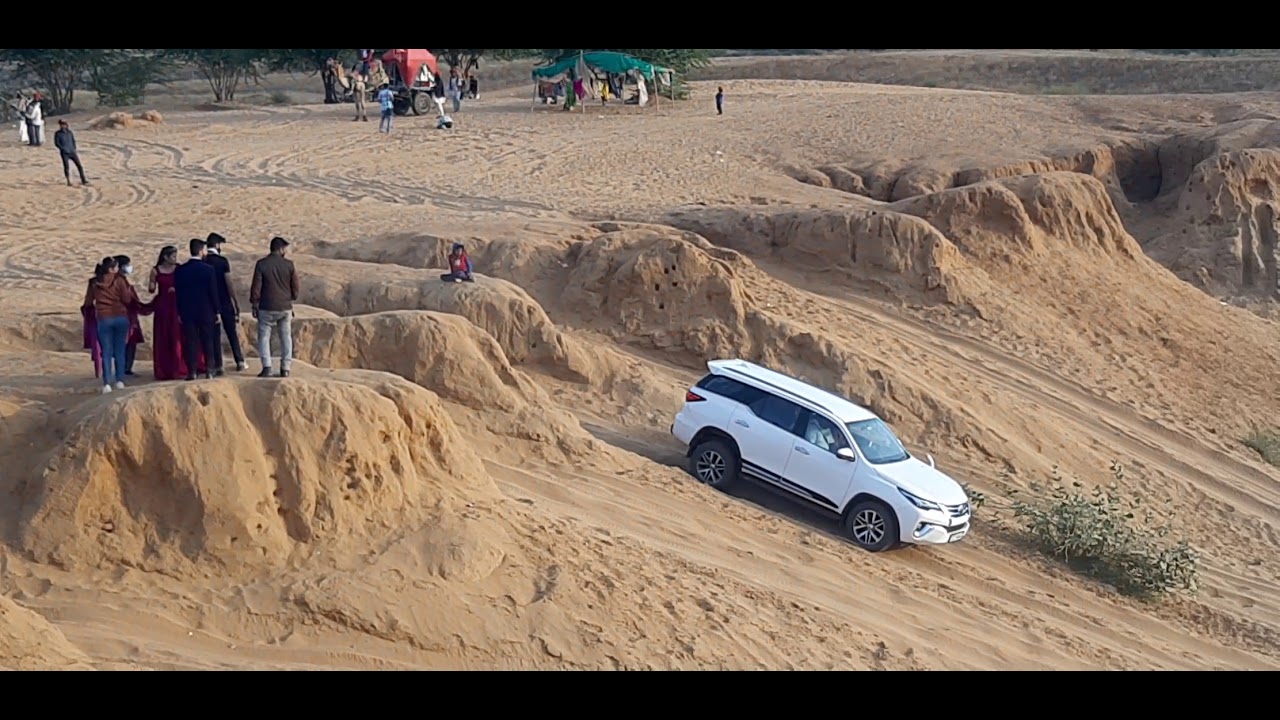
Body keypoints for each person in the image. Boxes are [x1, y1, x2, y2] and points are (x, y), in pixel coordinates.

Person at [82, 256, 138, 393]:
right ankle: (120, 380)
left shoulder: (94, 282)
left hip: (103, 318)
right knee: (120, 350)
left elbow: (88, 302)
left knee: (106, 352)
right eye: (117, 267)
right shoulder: (119, 280)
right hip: (120, 317)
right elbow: (126, 299)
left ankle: (106, 383)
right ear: (112, 269)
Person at [250, 236, 299, 378]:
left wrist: (254, 302)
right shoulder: (289, 265)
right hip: (285, 306)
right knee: (286, 337)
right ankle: (286, 368)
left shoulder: (261, 264)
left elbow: (256, 287)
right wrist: (292, 297)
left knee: (264, 337)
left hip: (266, 306)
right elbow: (295, 286)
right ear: (281, 249)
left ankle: (267, 367)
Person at [173, 238, 222, 381]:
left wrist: (180, 311)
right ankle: (209, 370)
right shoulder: (208, 269)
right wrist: (217, 310)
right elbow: (213, 292)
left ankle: (192, 371)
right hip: (206, 310)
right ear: (201, 251)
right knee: (208, 340)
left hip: (187, 311)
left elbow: (179, 293)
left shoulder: (181, 270)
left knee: (191, 342)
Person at [147, 245, 193, 380]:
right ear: (165, 257)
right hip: (163, 306)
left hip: (177, 305)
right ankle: (164, 369)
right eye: (173, 256)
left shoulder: (179, 269)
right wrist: (151, 286)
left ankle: (178, 367)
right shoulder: (156, 270)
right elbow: (151, 287)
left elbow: (185, 285)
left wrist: (177, 288)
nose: (175, 259)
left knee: (178, 335)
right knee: (163, 335)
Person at [203, 233, 246, 371]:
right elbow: (229, 282)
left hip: (209, 304)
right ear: (217, 245)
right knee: (231, 332)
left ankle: (218, 365)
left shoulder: (203, 262)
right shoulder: (222, 261)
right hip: (225, 301)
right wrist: (235, 301)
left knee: (214, 335)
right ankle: (239, 360)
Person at [113, 254, 151, 376]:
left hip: (127, 315)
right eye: (127, 265)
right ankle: (124, 368)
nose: (129, 267)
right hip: (124, 316)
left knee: (130, 342)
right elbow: (128, 299)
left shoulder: (121, 280)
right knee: (125, 343)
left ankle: (126, 368)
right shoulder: (117, 281)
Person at [54, 119, 89, 186]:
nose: (63, 126)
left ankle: (83, 180)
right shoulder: (58, 133)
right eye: (62, 124)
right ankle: (68, 181)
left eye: (64, 124)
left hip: (72, 152)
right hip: (64, 153)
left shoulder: (70, 132)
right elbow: (57, 143)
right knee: (66, 167)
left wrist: (74, 148)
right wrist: (63, 149)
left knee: (79, 166)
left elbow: (73, 141)